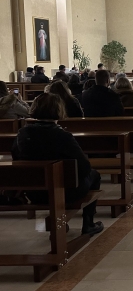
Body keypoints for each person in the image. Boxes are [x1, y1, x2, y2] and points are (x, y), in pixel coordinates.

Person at [12, 93, 103, 236]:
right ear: (59, 110)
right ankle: (88, 223)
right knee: (95, 175)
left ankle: (63, 220)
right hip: (67, 192)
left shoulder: (23, 134)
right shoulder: (62, 136)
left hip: (35, 193)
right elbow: (84, 167)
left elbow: (16, 159)